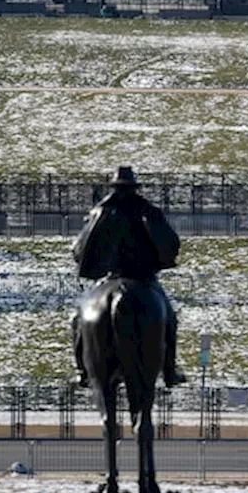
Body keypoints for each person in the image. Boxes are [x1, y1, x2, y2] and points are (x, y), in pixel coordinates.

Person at [71, 166, 187, 389]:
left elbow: (78, 249)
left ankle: (82, 370)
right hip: (143, 278)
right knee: (169, 320)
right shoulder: (147, 211)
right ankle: (170, 370)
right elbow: (171, 244)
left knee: (78, 319)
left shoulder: (101, 213)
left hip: (110, 277)